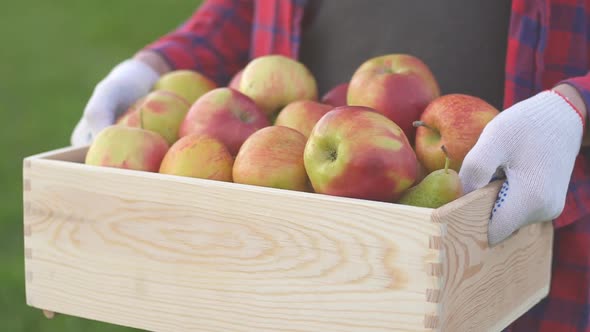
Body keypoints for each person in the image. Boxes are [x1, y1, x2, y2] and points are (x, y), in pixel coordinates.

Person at [70, 1, 590, 330]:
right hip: (294, 244)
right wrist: (155, 63)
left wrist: (576, 107)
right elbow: (247, 9)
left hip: (517, 246)